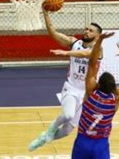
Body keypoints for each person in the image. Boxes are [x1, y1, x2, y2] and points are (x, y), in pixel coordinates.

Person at [28, 9, 103, 151]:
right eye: (86, 29)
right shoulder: (74, 42)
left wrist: (67, 52)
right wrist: (45, 14)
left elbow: (86, 53)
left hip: (86, 94)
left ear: (98, 36)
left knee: (68, 130)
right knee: (68, 114)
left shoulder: (99, 50)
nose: (86, 31)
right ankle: (50, 130)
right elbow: (53, 33)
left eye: (91, 30)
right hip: (71, 88)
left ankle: (43, 138)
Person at [72, 32, 119, 158]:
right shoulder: (115, 97)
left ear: (98, 84)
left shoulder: (90, 91)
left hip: (82, 141)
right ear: (113, 87)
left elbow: (92, 63)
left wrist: (99, 41)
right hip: (100, 144)